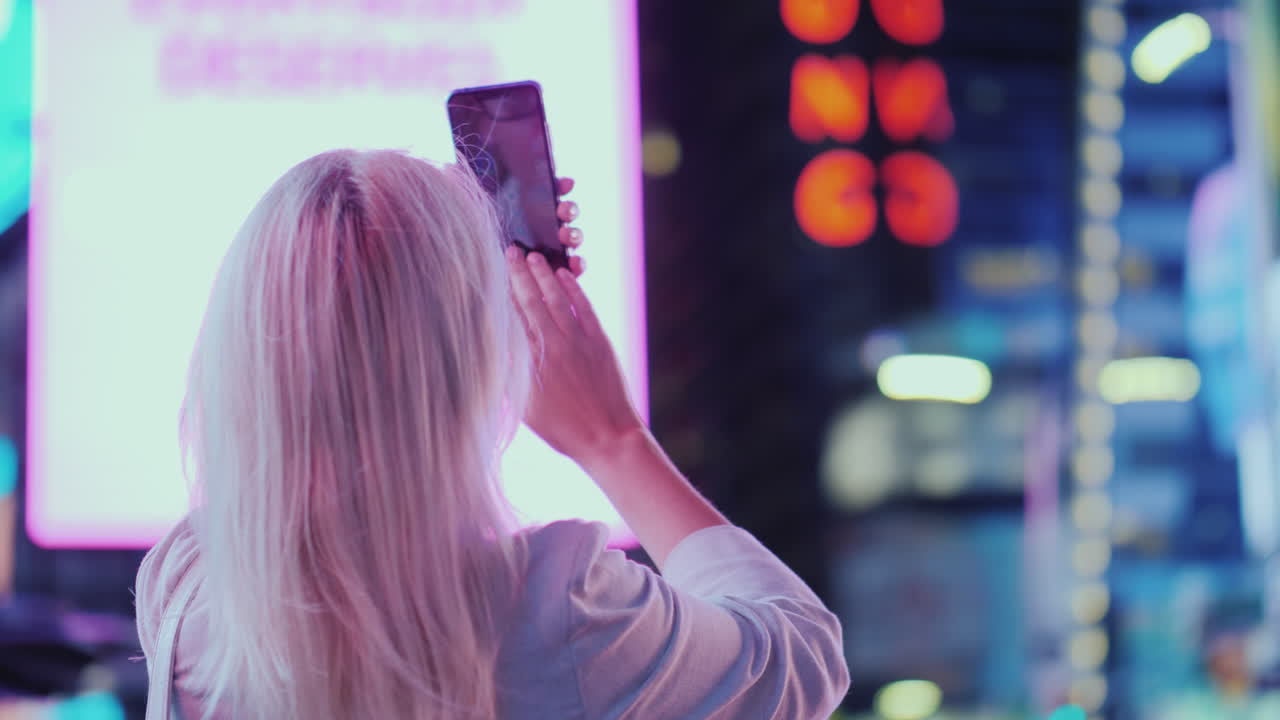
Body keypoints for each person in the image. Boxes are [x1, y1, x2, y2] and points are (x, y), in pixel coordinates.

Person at [134, 149, 850, 719]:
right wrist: (613, 438)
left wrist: (453, 240)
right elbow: (802, 658)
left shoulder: (186, 589)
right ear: (473, 358)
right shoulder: (557, 613)